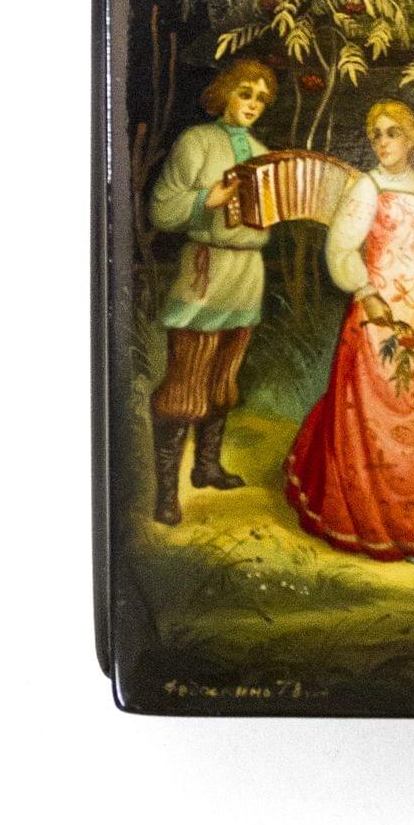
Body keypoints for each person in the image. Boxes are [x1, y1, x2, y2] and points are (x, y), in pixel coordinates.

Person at [284, 101, 414, 561]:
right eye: (376, 135)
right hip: (377, 307)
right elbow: (341, 247)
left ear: (411, 139)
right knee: (374, 408)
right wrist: (365, 291)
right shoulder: (366, 187)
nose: (383, 143)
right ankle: (373, 519)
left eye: (392, 133)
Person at [145, 58, 277, 523]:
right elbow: (162, 209)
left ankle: (206, 467)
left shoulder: (262, 153)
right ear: (224, 93)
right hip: (205, 270)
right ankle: (166, 495)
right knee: (185, 386)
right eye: (245, 93)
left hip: (246, 275)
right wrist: (207, 200)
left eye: (262, 99)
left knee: (224, 380)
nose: (253, 105)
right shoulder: (196, 141)